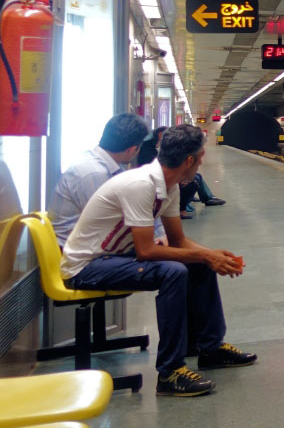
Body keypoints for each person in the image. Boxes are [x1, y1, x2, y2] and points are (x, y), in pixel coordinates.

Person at [61, 124, 255, 398]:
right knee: (173, 272)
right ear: (189, 160)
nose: (203, 161)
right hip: (87, 266)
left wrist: (212, 256)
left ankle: (209, 348)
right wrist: (205, 254)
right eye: (201, 156)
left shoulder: (169, 186)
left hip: (115, 257)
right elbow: (147, 252)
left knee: (198, 263)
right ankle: (170, 371)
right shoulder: (141, 185)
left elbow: (178, 241)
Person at [50, 114, 151, 244]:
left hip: (86, 242)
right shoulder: (95, 173)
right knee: (166, 261)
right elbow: (110, 222)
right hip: (77, 252)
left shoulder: (106, 165)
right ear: (132, 149)